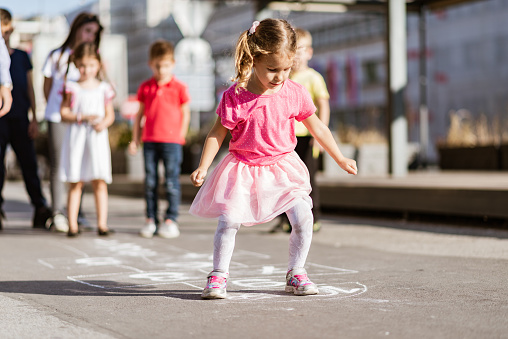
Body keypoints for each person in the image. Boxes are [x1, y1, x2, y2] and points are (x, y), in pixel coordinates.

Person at [189, 19, 357, 299]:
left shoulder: (294, 92)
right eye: (272, 69)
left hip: (282, 165)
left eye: (286, 69)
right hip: (243, 167)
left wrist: (338, 157)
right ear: (254, 59)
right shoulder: (237, 95)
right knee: (229, 221)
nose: (280, 76)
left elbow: (317, 126)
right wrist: (204, 166)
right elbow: (217, 132)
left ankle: (297, 272)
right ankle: (218, 276)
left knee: (304, 216)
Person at [42, 12, 103, 232]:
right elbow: (46, 86)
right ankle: (57, 212)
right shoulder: (56, 55)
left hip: (83, 121)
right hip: (58, 117)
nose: (90, 36)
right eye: (87, 31)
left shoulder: (94, 56)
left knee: (82, 165)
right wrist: (55, 107)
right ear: (77, 29)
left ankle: (76, 213)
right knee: (60, 164)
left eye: (94, 34)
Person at [270, 27, 330, 234]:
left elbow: (323, 106)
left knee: (308, 178)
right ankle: (283, 219)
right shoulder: (282, 76)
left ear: (309, 53)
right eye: (293, 50)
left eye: (301, 50)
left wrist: (319, 135)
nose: (296, 56)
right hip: (284, 137)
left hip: (306, 136)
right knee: (282, 178)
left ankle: (314, 217)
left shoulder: (313, 78)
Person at [128, 40, 190, 239]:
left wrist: (181, 134)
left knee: (171, 181)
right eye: (157, 65)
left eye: (165, 65)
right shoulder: (146, 87)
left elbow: (185, 112)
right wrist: (135, 139)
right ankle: (151, 219)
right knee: (150, 182)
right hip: (150, 141)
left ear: (173, 63)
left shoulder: (179, 87)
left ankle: (170, 219)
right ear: (150, 64)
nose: (161, 69)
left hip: (172, 142)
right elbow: (139, 115)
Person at [0, 8, 52, 231]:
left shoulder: (21, 56)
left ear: (11, 29)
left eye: (5, 29)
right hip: (1, 117)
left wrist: (33, 118)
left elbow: (30, 88)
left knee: (29, 164)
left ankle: (40, 208)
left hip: (21, 117)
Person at [59, 42, 115, 237]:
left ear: (98, 65)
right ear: (76, 64)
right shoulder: (72, 87)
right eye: (82, 65)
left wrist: (103, 123)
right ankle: (72, 224)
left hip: (97, 137)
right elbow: (63, 112)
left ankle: (102, 224)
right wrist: (81, 117)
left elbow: (110, 115)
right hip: (77, 137)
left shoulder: (104, 88)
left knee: (100, 180)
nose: (86, 70)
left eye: (90, 65)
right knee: (76, 181)